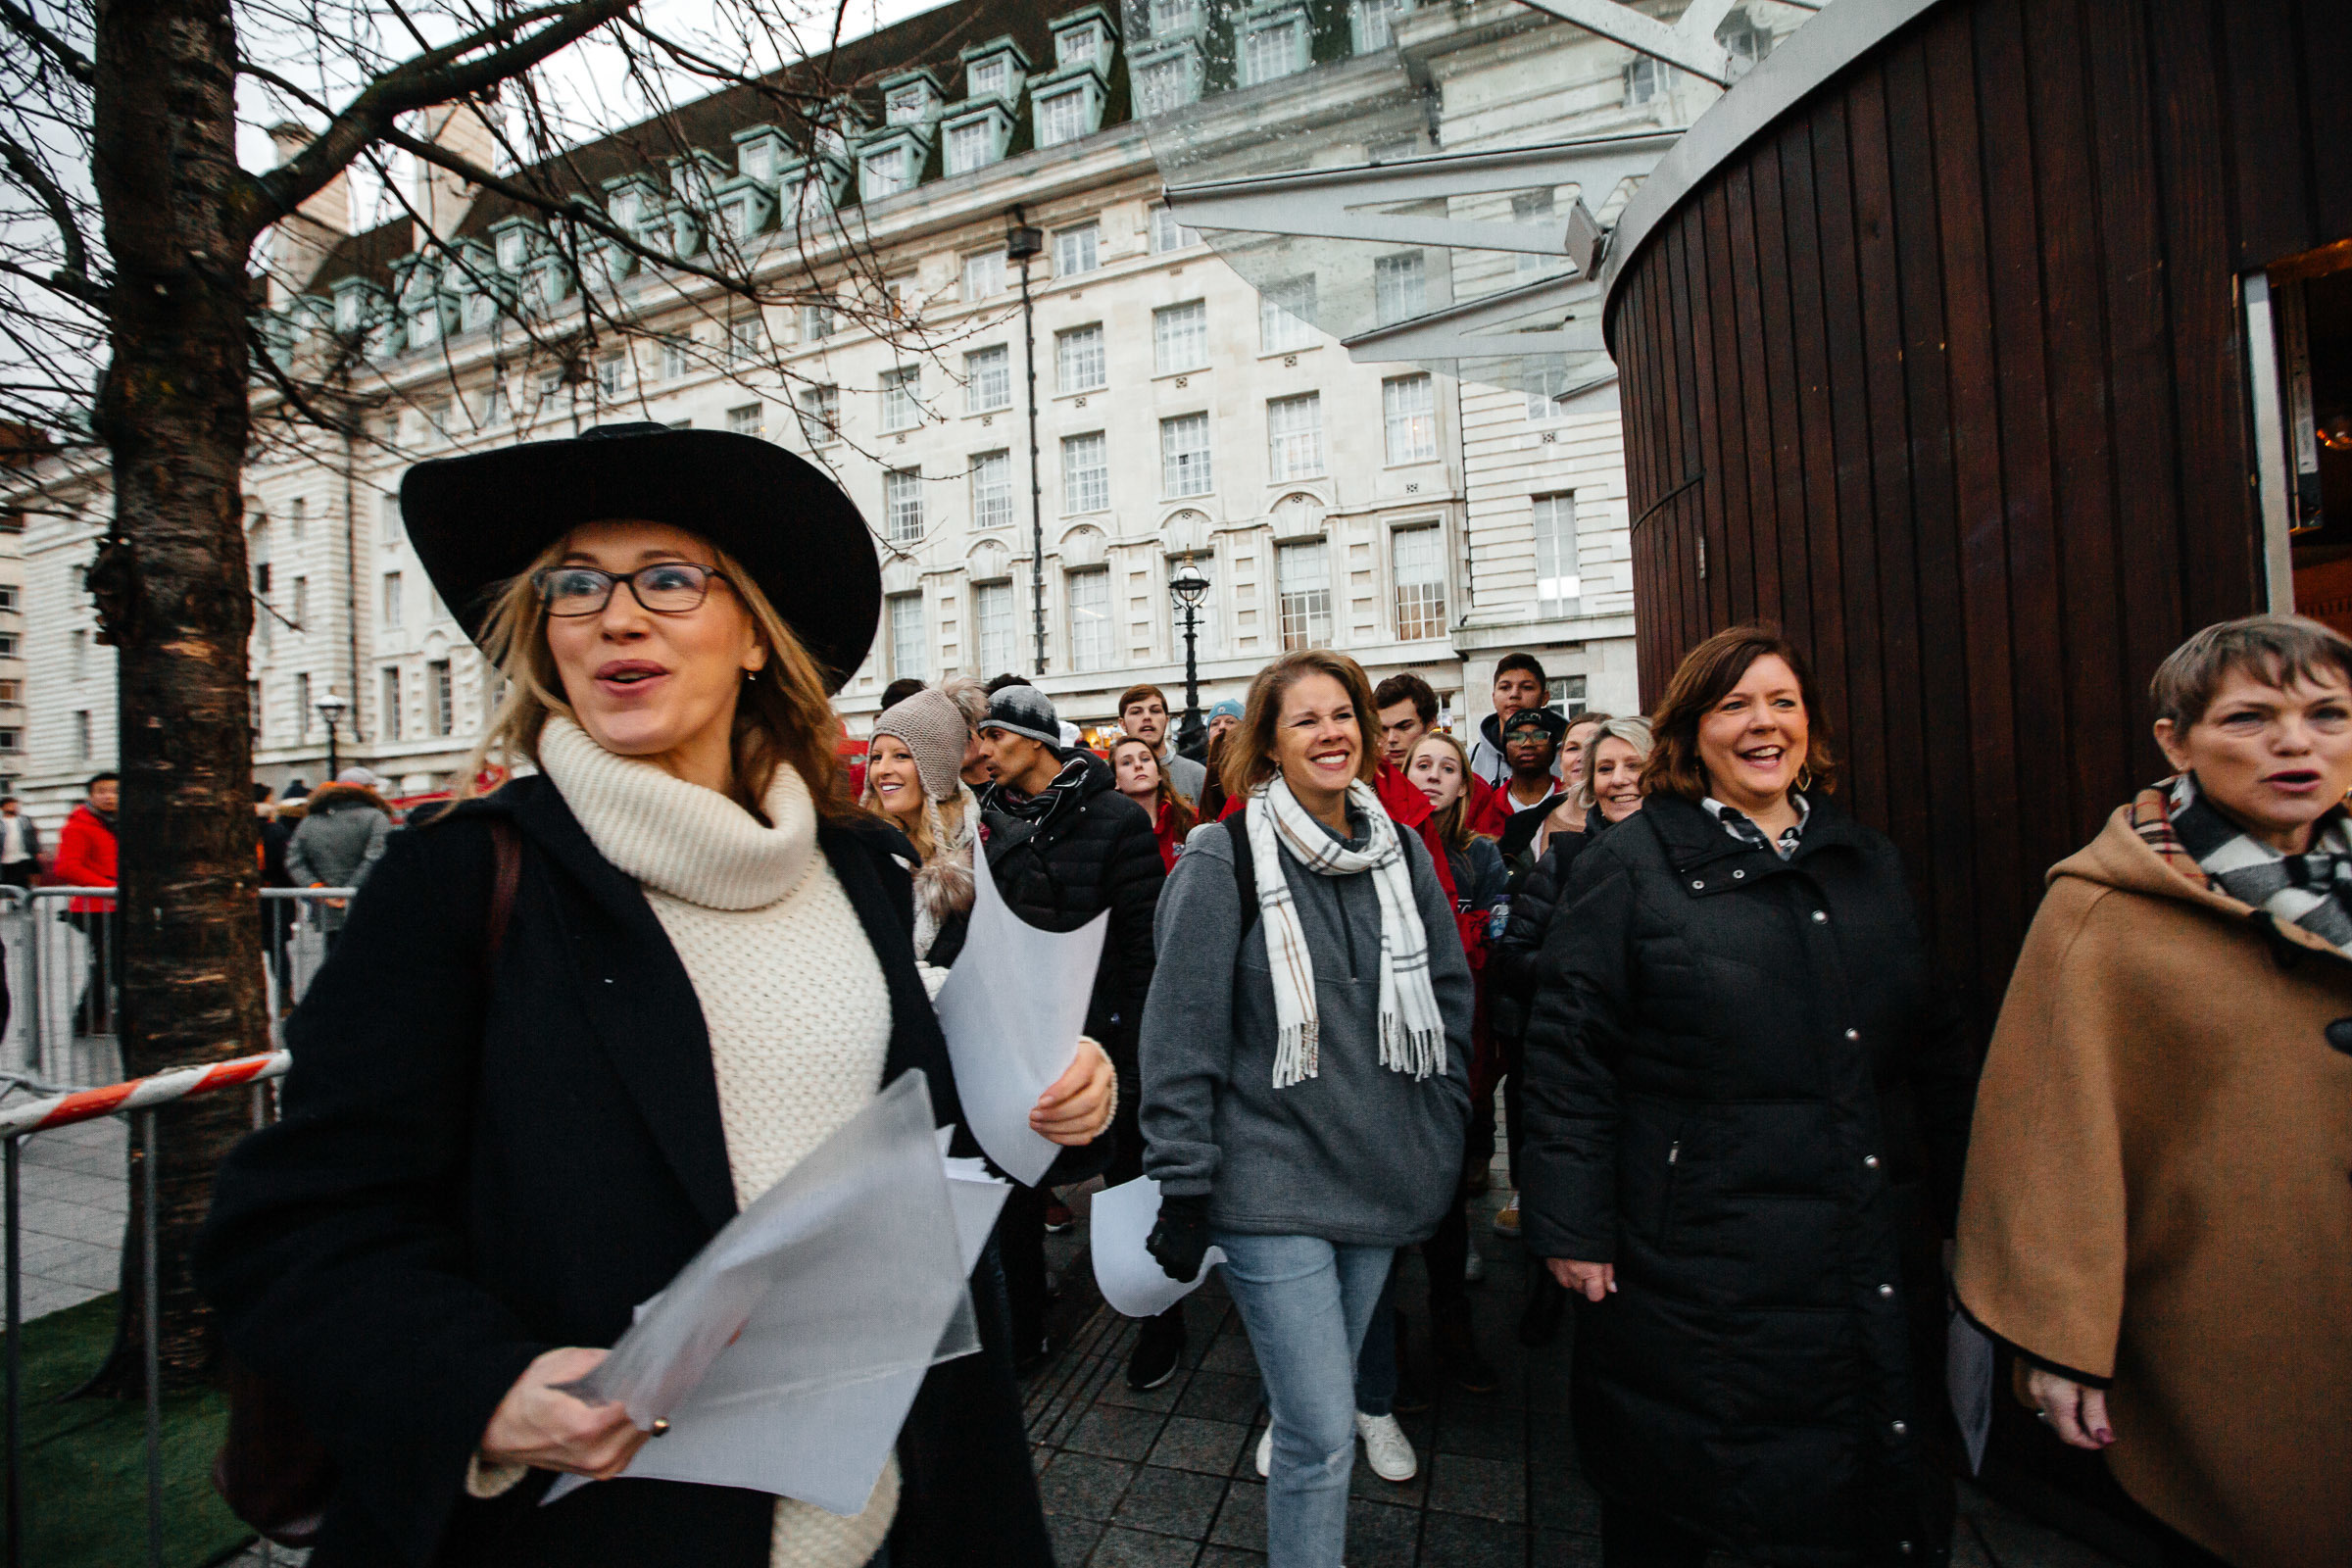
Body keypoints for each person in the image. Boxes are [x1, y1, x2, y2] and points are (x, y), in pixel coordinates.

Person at [198, 423, 1101, 1566]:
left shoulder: (860, 869)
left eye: (669, 579)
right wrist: (482, 1385)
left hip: (886, 1520)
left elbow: (931, 1159)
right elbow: (293, 1227)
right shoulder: (458, 881)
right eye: (576, 584)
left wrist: (1061, 1100)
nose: (616, 615)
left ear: (757, 642)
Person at [1521, 624, 1976, 1568]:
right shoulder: (1631, 866)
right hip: (1697, 1255)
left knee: (1865, 1482)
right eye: (1735, 705)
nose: (1764, 724)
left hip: (1860, 1237)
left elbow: (1931, 1047)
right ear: (1691, 731)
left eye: (1783, 702)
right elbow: (1570, 1055)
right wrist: (1573, 1224)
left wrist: (1972, 1211)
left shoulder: (1863, 861)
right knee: (1709, 1495)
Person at [1954, 615, 2352, 1568]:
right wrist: (2058, 1338)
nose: (2296, 742)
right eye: (2250, 717)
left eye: (2328, 713)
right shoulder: (2106, 907)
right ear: (2175, 739)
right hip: (2228, 1333)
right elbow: (2050, 1131)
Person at [1141, 649, 1472, 1568]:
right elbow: (1180, 1032)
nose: (1332, 734)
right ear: (1269, 746)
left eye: (1344, 717)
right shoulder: (1222, 855)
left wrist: (1439, 1138)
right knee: (1323, 1427)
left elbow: (1447, 1001)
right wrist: (1183, 1179)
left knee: (1318, 1416)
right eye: (1306, 721)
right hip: (1270, 1183)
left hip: (1381, 1175)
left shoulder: (1400, 849)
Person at [974, 683, 1171, 1382]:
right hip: (1020, 1044)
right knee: (1016, 1190)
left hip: (1107, 1037)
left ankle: (1157, 1319)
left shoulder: (1117, 819)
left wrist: (1139, 1056)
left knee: (1130, 1181)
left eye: (993, 736)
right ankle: (1027, 1330)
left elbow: (1148, 949)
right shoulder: (987, 822)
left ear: (1032, 740)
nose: (983, 751)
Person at [1487, 715, 1652, 1340]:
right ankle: (1546, 1294)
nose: (1618, 781)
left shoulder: (1701, 866)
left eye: (1632, 766)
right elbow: (1511, 956)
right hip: (1568, 1061)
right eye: (1605, 768)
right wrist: (1583, 972)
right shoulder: (1567, 859)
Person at [860, 683, 983, 968]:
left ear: (936, 769)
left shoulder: (985, 851)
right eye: (876, 757)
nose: (882, 770)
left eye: (901, 755)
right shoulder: (867, 850)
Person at [1375, 672, 1508, 839]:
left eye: (1404, 727)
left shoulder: (1475, 792)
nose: (1391, 739)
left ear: (1430, 724)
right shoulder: (1363, 789)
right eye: (1383, 729)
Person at [287, 767, 395, 944]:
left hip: (326, 904)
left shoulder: (310, 821)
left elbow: (294, 860)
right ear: (367, 789)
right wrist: (348, 892)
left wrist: (317, 887)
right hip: (367, 902)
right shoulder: (376, 817)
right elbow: (376, 857)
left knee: (334, 956)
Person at [54, 771, 120, 1034]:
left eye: (114, 791)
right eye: (102, 791)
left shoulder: (121, 823)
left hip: (116, 904)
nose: (109, 796)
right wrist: (110, 888)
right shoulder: (79, 825)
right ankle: (87, 1019)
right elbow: (66, 867)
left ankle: (98, 1017)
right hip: (95, 906)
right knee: (108, 964)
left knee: (113, 963)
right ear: (91, 795)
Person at [1494, 707, 1571, 867]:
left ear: (1553, 746)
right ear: (1505, 748)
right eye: (1516, 736)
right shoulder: (1487, 807)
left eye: (1539, 736)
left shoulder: (1570, 801)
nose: (1527, 743)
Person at [1110, 735, 1197, 872]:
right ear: (1116, 781)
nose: (1138, 765)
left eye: (1145, 759)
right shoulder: (1108, 832)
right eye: (1127, 762)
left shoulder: (1191, 818)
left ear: (1159, 774)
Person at [1466, 653, 1550, 789]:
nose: (1514, 694)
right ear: (1493, 697)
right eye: (1505, 687)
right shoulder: (1469, 761)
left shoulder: (1566, 757)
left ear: (1544, 697)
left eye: (1527, 687)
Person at [1118, 683, 1207, 806]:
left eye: (1155, 711)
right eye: (1136, 712)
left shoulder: (1197, 775)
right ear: (1122, 724)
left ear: (1166, 720)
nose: (1147, 717)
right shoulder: (1110, 779)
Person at [1197, 701, 1245, 822]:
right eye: (1215, 724)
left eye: (1230, 722)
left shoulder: (1252, 769)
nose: (1222, 727)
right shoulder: (1199, 771)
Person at [0, 797, 42, 889]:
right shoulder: (1, 822)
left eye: (15, 805)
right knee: (9, 886)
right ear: (2, 807)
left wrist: (37, 850)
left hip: (23, 857)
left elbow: (33, 836)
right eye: (9, 805)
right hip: (6, 860)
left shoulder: (24, 820)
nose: (13, 807)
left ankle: (26, 901)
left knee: (24, 884)